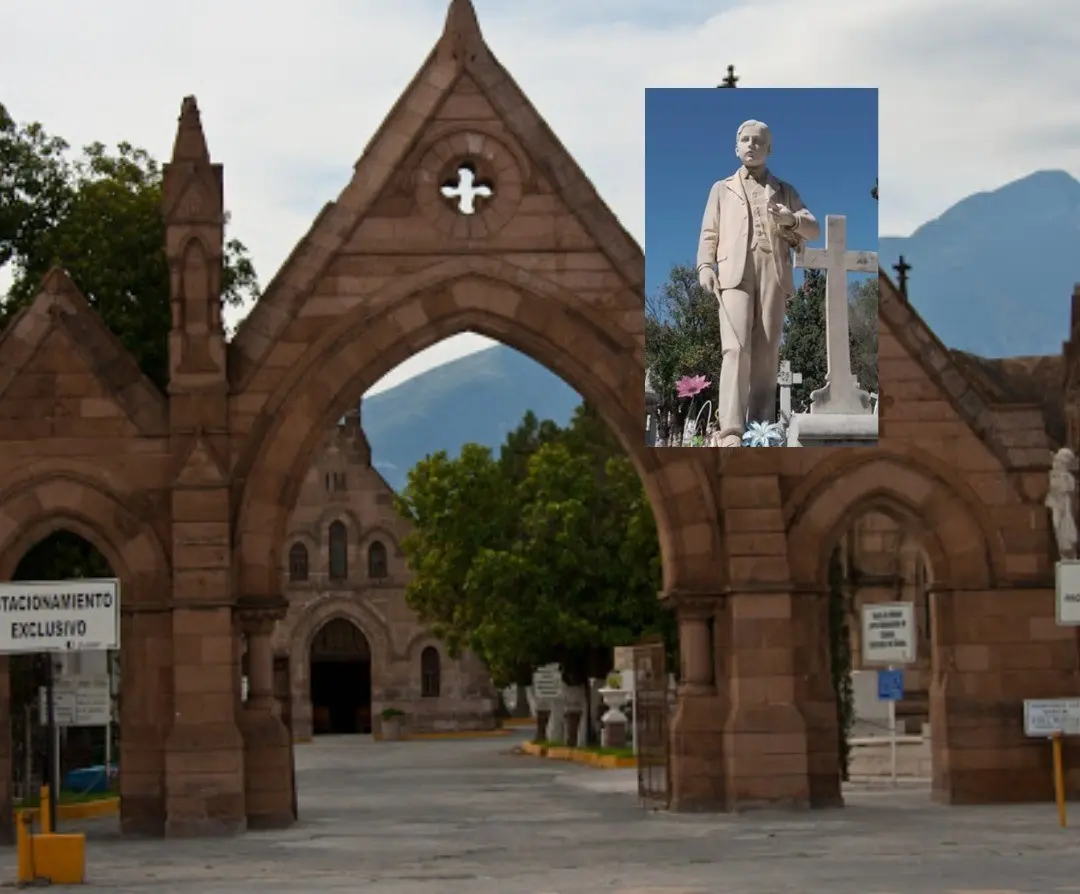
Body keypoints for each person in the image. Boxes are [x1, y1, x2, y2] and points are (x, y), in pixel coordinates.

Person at [696, 120, 819, 446]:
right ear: (736, 147)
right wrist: (705, 265)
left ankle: (758, 430)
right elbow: (710, 232)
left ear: (769, 149)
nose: (751, 145)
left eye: (758, 141)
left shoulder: (785, 190)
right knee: (735, 348)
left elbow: (813, 228)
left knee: (766, 353)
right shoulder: (722, 188)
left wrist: (790, 219)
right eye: (745, 140)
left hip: (773, 273)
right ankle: (732, 432)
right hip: (734, 274)